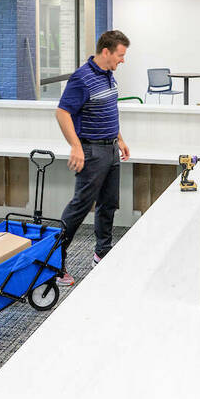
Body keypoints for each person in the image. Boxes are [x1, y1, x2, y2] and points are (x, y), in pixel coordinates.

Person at [56, 30, 131, 286]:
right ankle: (54, 262)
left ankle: (102, 253)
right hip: (91, 152)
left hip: (110, 149)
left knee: (108, 204)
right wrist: (75, 146)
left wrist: (119, 138)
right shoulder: (81, 78)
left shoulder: (109, 75)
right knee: (79, 207)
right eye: (120, 55)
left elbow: (109, 109)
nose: (122, 60)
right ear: (106, 51)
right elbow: (62, 113)